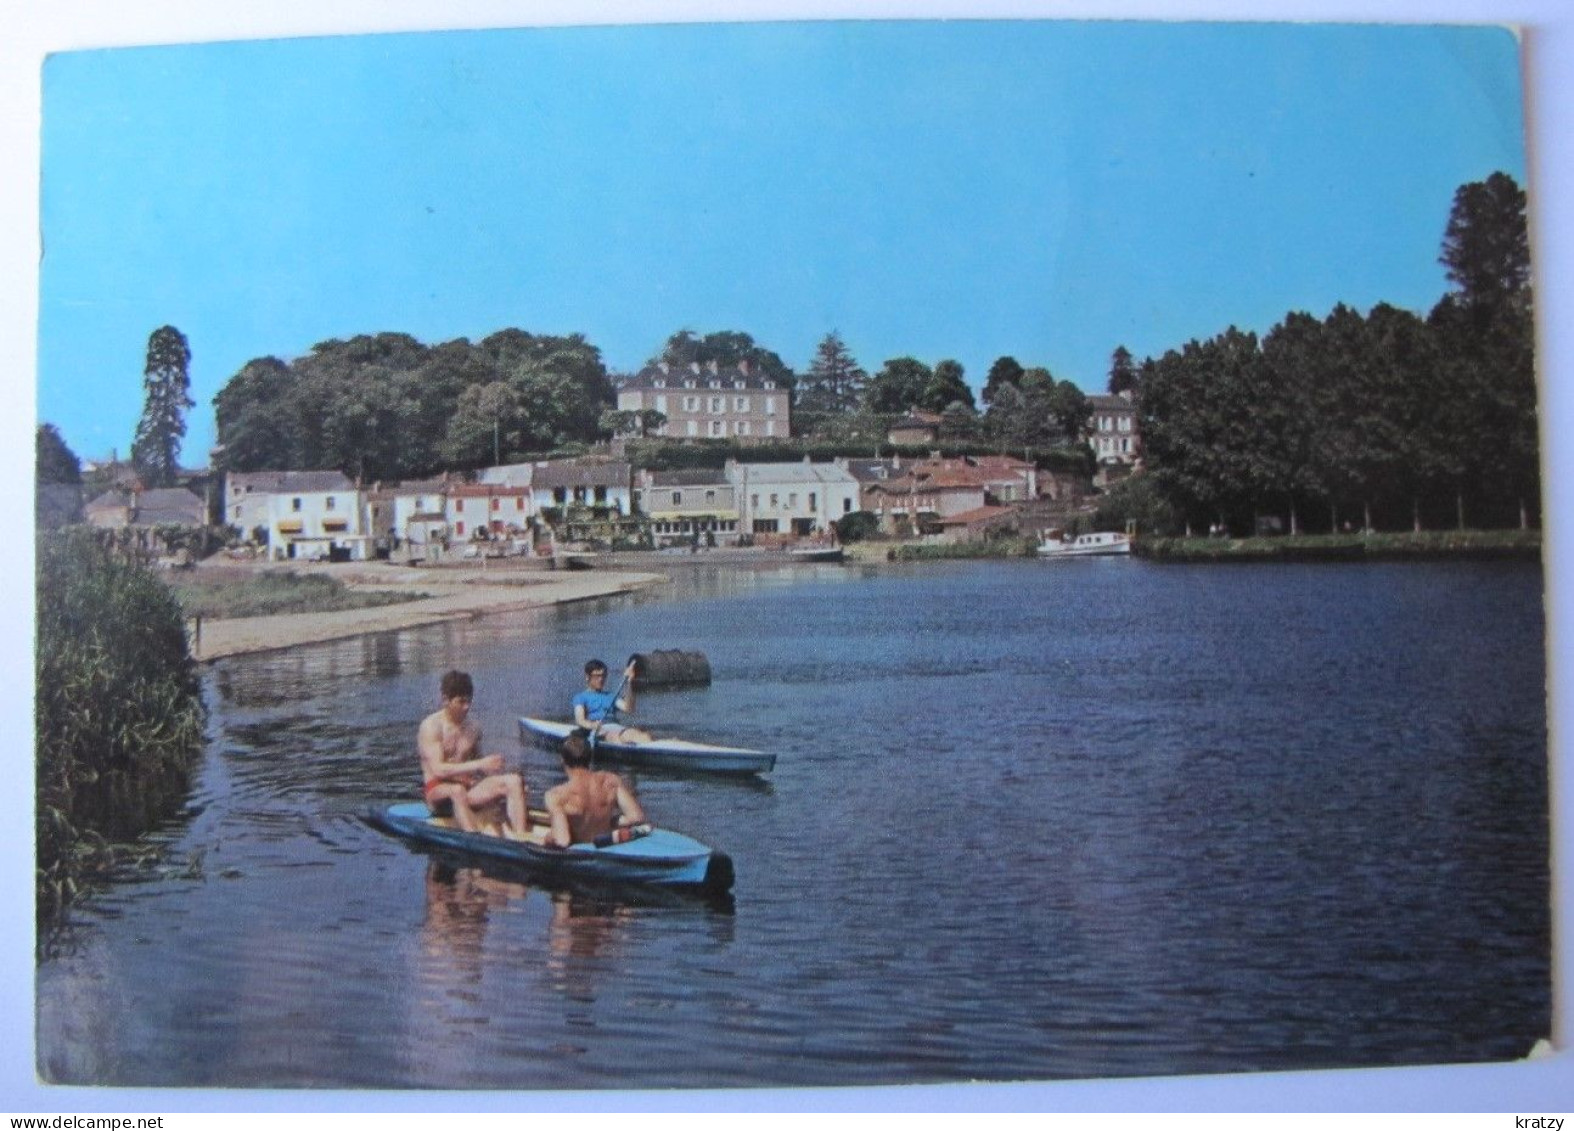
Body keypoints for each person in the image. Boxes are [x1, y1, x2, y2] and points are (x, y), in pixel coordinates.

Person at [418, 670, 529, 838]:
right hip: (438, 792)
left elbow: (479, 767)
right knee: (456, 791)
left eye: (469, 701)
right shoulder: (431, 727)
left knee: (513, 781)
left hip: (467, 789)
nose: (466, 707)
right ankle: (474, 838)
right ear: (446, 699)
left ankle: (522, 840)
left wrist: (495, 771)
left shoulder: (474, 728)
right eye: (461, 702)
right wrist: (480, 764)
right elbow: (437, 770)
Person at [544, 733, 647, 848]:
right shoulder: (610, 781)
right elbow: (636, 817)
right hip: (604, 846)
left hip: (580, 856)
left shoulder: (556, 796)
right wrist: (608, 821)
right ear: (589, 757)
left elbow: (562, 841)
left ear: (562, 760)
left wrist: (549, 837)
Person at [571, 658, 653, 744]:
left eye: (603, 675)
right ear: (587, 677)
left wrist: (630, 683)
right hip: (597, 731)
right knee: (615, 736)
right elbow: (580, 720)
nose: (601, 679)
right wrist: (592, 725)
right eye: (597, 676)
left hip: (616, 728)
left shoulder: (611, 696)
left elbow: (629, 709)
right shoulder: (580, 697)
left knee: (644, 736)